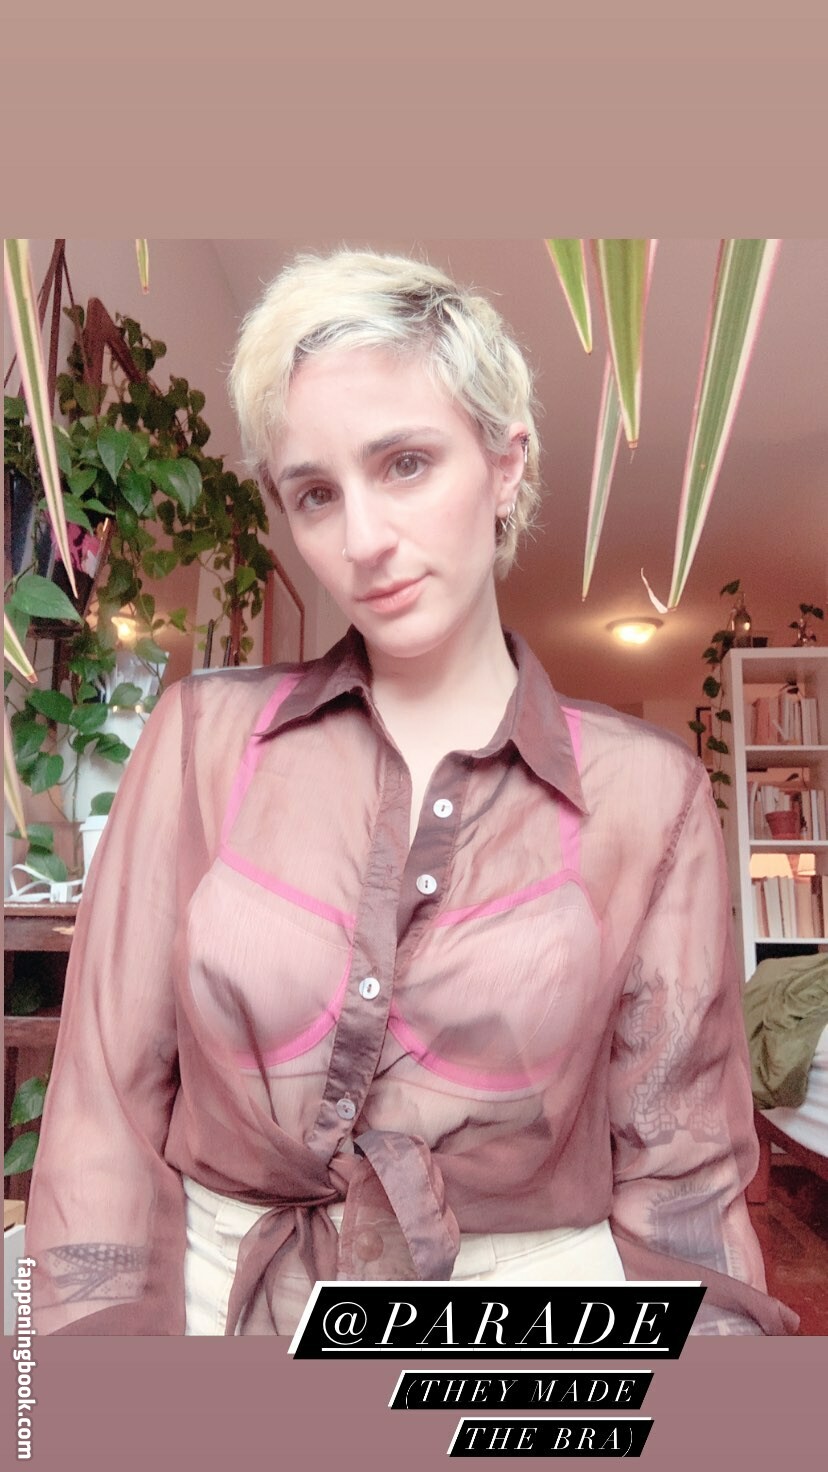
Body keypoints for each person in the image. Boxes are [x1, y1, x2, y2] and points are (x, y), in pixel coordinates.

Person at [26, 250, 797, 1336]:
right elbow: (101, 1110)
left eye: (405, 464)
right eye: (315, 493)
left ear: (505, 465)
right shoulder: (202, 740)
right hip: (216, 1309)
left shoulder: (648, 793)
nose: (363, 540)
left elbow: (685, 1179)